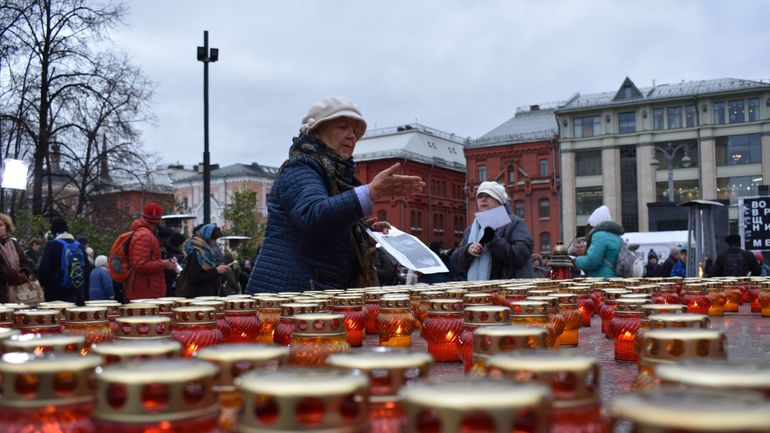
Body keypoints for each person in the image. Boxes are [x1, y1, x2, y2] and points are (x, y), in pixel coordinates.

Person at [246, 96, 424, 293]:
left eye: (355, 131)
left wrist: (363, 233)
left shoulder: (332, 173)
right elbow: (314, 215)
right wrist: (371, 192)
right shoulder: (300, 167)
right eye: (342, 127)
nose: (351, 136)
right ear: (317, 131)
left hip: (308, 294)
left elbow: (327, 226)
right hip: (290, 297)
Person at [450, 181, 534, 280]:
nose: (483, 199)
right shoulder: (472, 228)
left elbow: (521, 255)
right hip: (477, 291)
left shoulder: (514, 223)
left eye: (489, 196)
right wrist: (467, 250)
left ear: (499, 201)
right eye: (480, 196)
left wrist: (493, 240)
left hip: (507, 289)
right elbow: (456, 262)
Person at [124, 202, 178, 300]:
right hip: (144, 292)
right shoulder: (145, 236)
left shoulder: (146, 234)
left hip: (145, 290)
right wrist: (164, 264)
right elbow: (140, 264)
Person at [38, 217, 91, 304]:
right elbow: (87, 270)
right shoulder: (79, 246)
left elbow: (45, 268)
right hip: (77, 293)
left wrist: (41, 284)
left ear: (54, 231)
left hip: (56, 293)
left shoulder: (52, 245)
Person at [575, 205, 623, 278]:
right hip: (615, 277)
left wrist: (576, 260)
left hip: (602, 279)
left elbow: (591, 261)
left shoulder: (599, 236)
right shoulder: (617, 237)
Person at [183, 224, 229, 297]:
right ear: (206, 237)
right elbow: (196, 277)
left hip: (209, 294)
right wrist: (217, 270)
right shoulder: (196, 253)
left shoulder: (207, 252)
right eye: (213, 239)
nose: (215, 242)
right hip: (200, 297)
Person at [0, 213, 35, 303]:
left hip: (18, 289)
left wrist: (24, 273)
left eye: (1, 225)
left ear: (6, 227)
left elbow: (24, 261)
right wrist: (14, 275)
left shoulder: (14, 243)